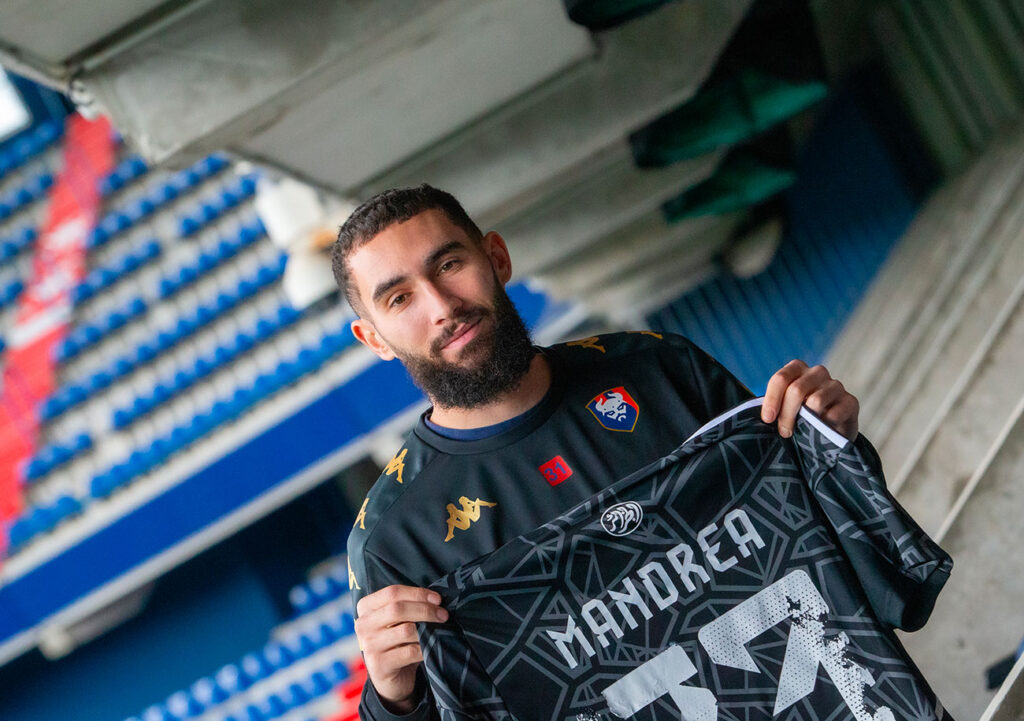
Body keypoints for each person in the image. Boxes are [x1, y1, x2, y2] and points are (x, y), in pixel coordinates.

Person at [332, 184, 864, 721]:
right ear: (373, 338)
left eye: (449, 264)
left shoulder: (661, 370)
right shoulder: (393, 541)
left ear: (496, 257)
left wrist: (834, 451)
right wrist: (394, 700)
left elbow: (841, 563)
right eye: (399, 298)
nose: (442, 306)